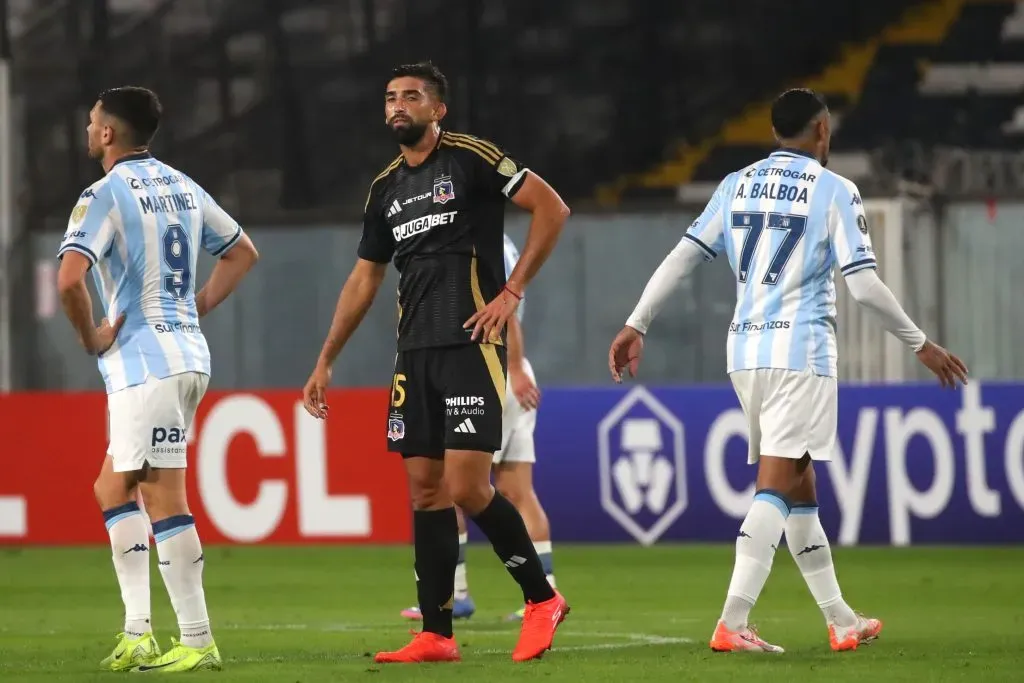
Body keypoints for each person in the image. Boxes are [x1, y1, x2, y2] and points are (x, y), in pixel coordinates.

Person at [609, 88, 968, 654]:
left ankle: (841, 619)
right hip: (800, 354)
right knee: (777, 483)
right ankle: (733, 620)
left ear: (774, 131)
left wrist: (637, 322)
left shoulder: (735, 184)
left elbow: (683, 256)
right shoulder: (834, 190)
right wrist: (919, 344)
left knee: (801, 486)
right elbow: (863, 284)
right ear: (822, 129)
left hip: (745, 353)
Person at [302, 61, 571, 664]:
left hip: (472, 344)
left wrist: (512, 292)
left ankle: (542, 599)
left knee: (468, 487)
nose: (398, 106)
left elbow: (552, 209)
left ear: (437, 109)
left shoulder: (472, 158)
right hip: (414, 352)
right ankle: (436, 634)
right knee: (426, 492)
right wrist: (325, 359)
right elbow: (364, 278)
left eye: (411, 96)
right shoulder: (384, 189)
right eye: (390, 98)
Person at [56, 86, 259, 672]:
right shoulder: (183, 185)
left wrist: (91, 336)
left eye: (92, 121)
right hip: (184, 355)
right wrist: (196, 306)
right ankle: (138, 632)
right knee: (111, 487)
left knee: (163, 495)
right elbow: (242, 251)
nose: (88, 129)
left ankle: (197, 639)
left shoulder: (103, 194)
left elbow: (69, 280)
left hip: (147, 366)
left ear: (108, 133)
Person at [399, 234, 557, 623]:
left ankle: (457, 594)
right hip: (504, 367)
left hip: (488, 368)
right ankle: (548, 590)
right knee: (517, 490)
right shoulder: (497, 237)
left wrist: (513, 368)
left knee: (452, 484)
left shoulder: (469, 235)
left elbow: (503, 305)